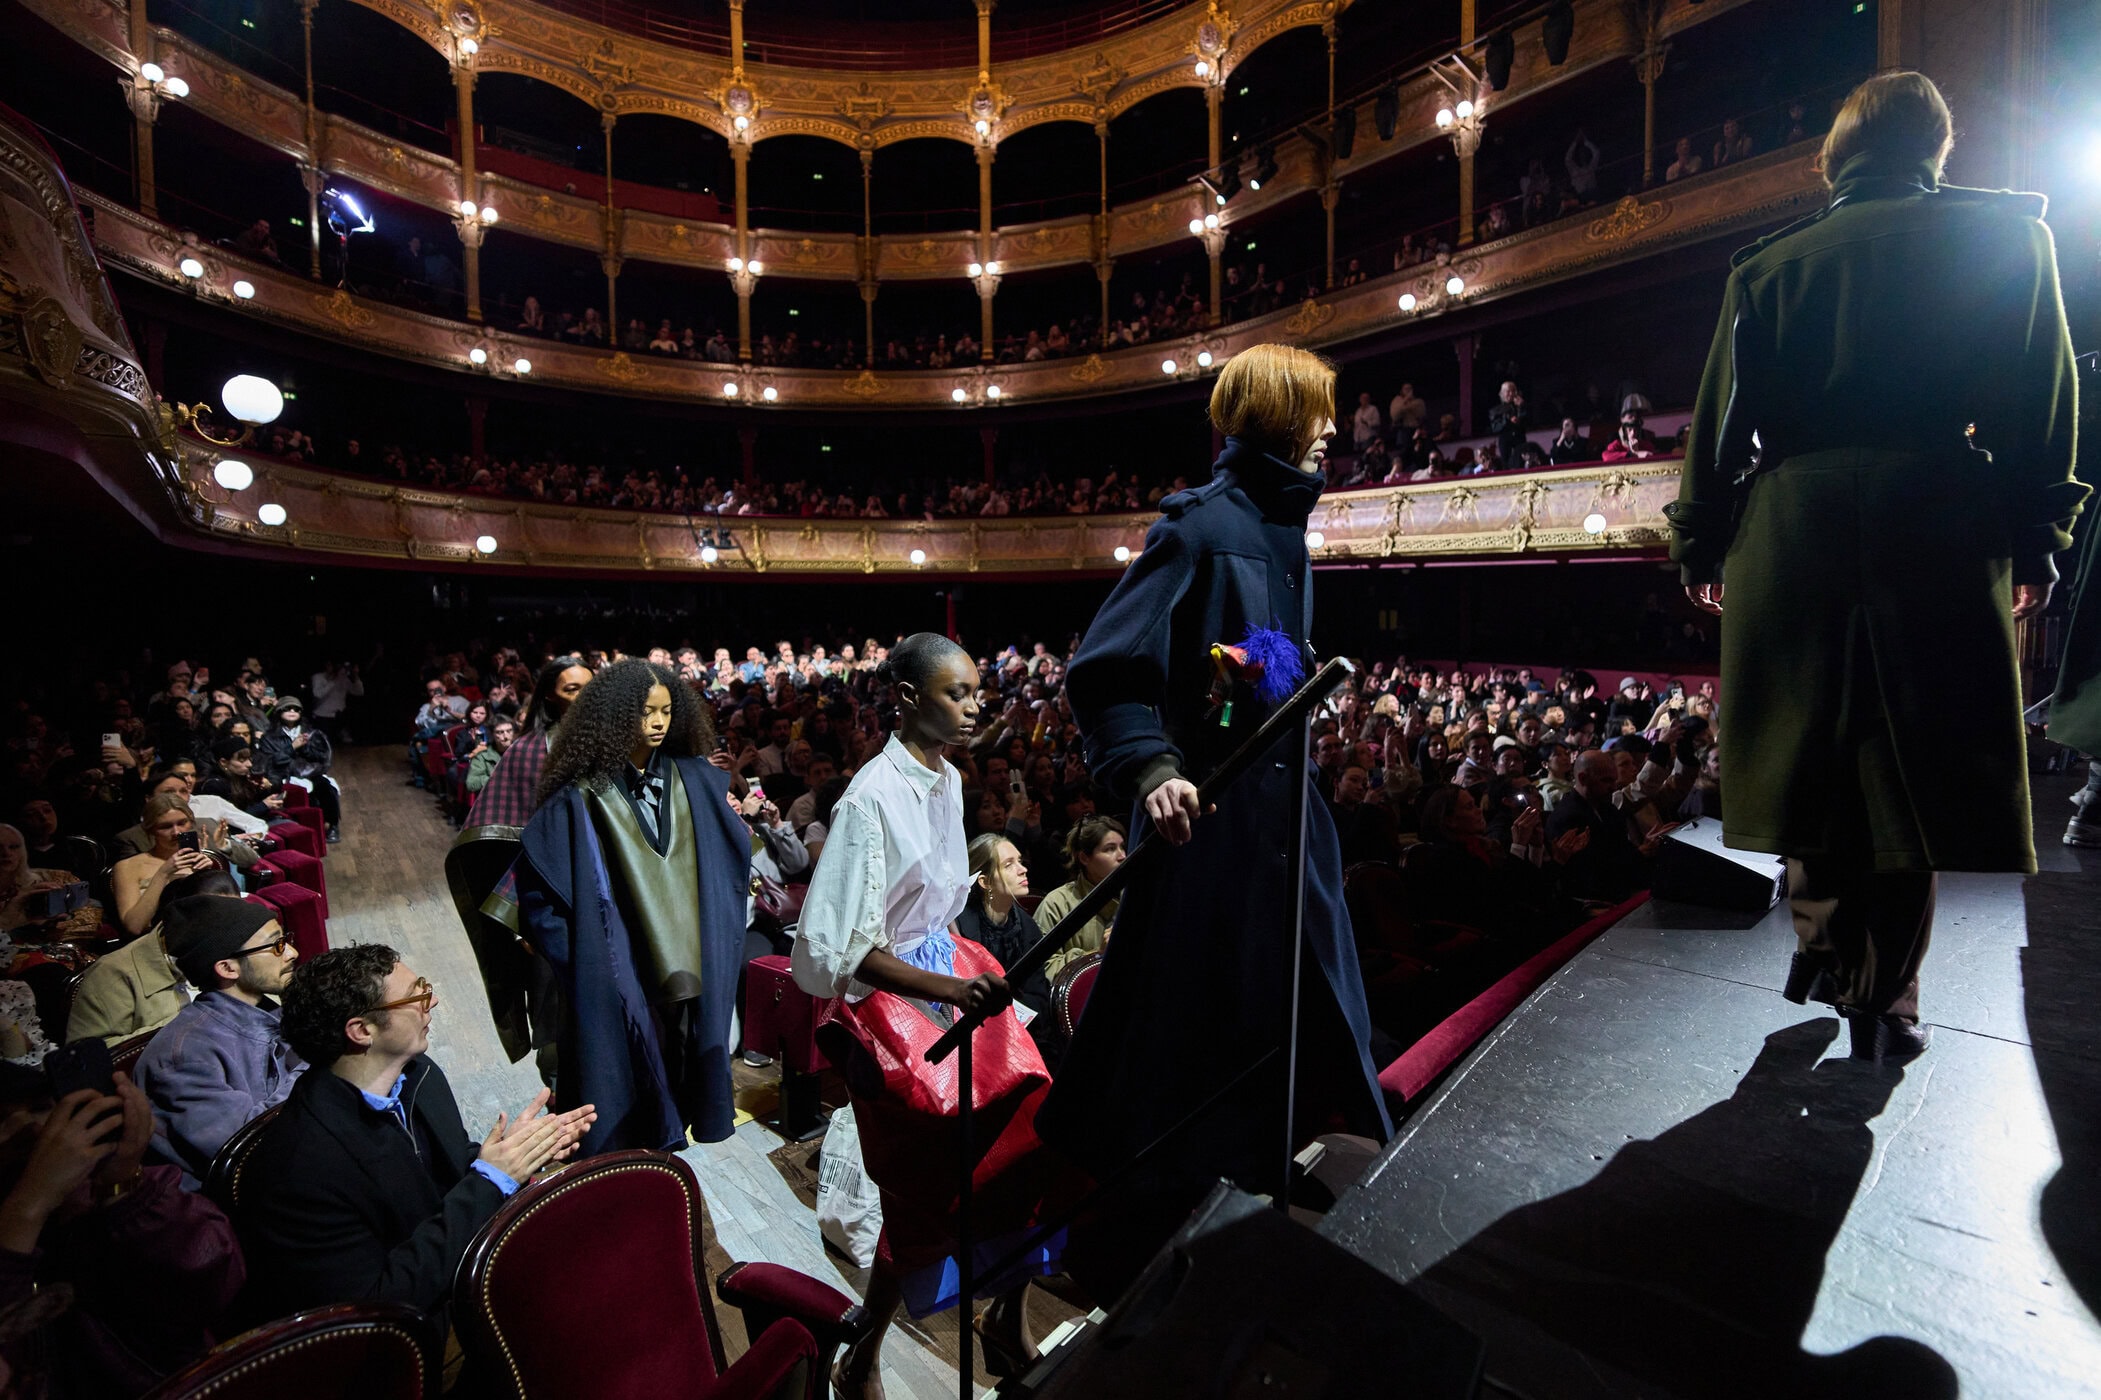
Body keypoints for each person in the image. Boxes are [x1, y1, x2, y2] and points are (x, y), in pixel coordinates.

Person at [1665, 72, 2086, 1063]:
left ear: (1835, 152)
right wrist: (2036, 539)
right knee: (1908, 770)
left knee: (1807, 757)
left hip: (1790, 524)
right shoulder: (2007, 238)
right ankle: (1886, 995)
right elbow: (2042, 409)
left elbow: (1719, 422)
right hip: (1935, 517)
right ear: (1937, 144)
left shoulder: (1766, 266)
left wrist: (1701, 541)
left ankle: (1827, 955)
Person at [1039, 343, 1391, 1296]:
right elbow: (1107, 672)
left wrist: (1261, 676)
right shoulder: (1197, 529)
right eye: (1319, 410)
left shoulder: (1284, 531)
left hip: (1285, 834)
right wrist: (1152, 766)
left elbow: (1247, 670)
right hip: (1207, 840)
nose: (1333, 428)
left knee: (1285, 1038)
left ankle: (1248, 1225)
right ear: (1278, 416)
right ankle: (1132, 1257)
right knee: (1183, 1053)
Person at [793, 632, 1053, 1398]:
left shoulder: (944, 776)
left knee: (1029, 1133)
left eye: (976, 693)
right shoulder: (870, 797)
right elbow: (844, 947)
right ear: (907, 698)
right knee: (924, 1191)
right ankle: (863, 1354)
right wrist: (946, 989)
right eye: (955, 694)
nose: (974, 708)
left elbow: (934, 910)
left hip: (945, 978)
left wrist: (960, 975)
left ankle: (1006, 1309)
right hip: (891, 1006)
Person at [239, 944, 594, 1322]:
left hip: (461, 1282)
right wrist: (492, 1179)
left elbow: (445, 1171)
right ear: (362, 1031)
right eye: (416, 996)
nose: (433, 1001)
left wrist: (513, 1155)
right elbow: (379, 1305)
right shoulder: (301, 1168)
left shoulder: (417, 1076)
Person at [517, 660, 748, 1154]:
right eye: (646, 712)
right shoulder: (580, 796)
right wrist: (585, 958)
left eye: (666, 711)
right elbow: (543, 887)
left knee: (686, 1060)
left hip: (694, 948)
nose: (658, 722)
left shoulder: (697, 780)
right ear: (616, 715)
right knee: (630, 1070)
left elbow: (728, 855)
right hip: (620, 956)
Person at [0, 1065, 244, 1396]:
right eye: (1, 1119)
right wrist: (28, 1206)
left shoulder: (112, 1192)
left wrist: (122, 1185)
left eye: (41, 1108)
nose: (28, 1127)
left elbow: (215, 1285)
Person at [132, 897, 304, 1179]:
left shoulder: (270, 1013)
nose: (292, 952)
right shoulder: (185, 1056)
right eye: (276, 946)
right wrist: (323, 1061)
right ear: (227, 968)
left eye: (286, 940)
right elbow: (247, 1149)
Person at [66, 867, 238, 1044]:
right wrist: (192, 1022)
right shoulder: (112, 974)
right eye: (213, 919)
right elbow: (90, 1054)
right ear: (180, 917)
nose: (226, 931)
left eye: (234, 920)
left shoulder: (234, 953)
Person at [466, 654, 591, 828]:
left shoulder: (608, 737)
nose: (586, 696)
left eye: (591, 687)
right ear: (550, 694)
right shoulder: (529, 748)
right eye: (572, 689)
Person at [1032, 816, 1125, 981]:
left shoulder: (1136, 896)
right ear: (1084, 858)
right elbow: (1042, 970)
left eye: (1122, 847)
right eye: (1110, 849)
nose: (1122, 856)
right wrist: (1096, 955)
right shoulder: (1056, 903)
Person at [111, 795, 218, 937]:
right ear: (150, 830)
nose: (176, 832)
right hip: (155, 939)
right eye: (166, 826)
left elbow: (218, 914)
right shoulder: (128, 866)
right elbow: (134, 926)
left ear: (191, 823)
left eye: (182, 823)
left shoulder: (202, 861)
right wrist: (163, 874)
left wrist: (206, 876)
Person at [255, 698, 341, 842]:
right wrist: (292, 747)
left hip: (310, 773)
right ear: (279, 712)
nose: (292, 711)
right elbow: (270, 761)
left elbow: (323, 757)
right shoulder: (269, 738)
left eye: (296, 709)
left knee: (326, 787)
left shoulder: (313, 733)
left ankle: (332, 825)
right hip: (282, 776)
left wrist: (305, 748)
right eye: (287, 708)